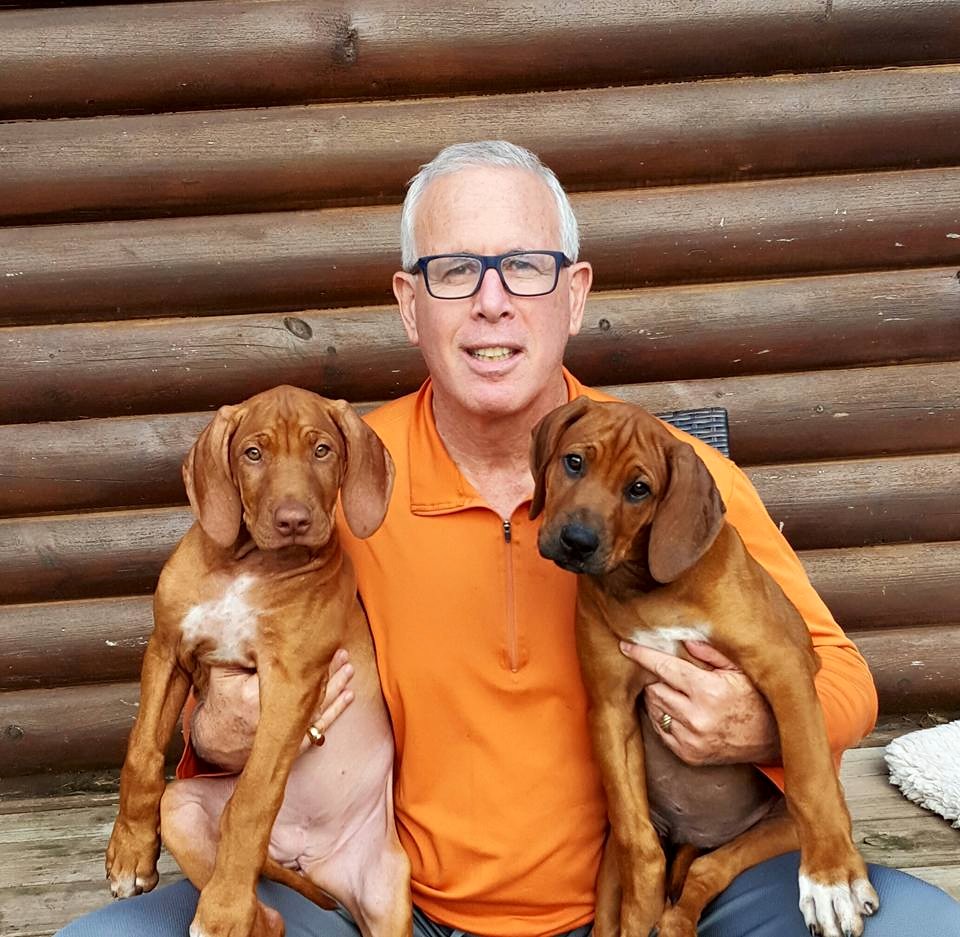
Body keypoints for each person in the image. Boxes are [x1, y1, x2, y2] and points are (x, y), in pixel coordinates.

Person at [58, 141, 960, 937]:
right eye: (455, 270)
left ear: (575, 293)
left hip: (648, 891)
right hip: (381, 895)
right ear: (410, 304)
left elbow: (845, 679)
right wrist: (211, 729)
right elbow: (218, 643)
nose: (492, 302)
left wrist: (752, 722)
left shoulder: (676, 482)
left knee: (928, 926)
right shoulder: (345, 480)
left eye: (525, 267)